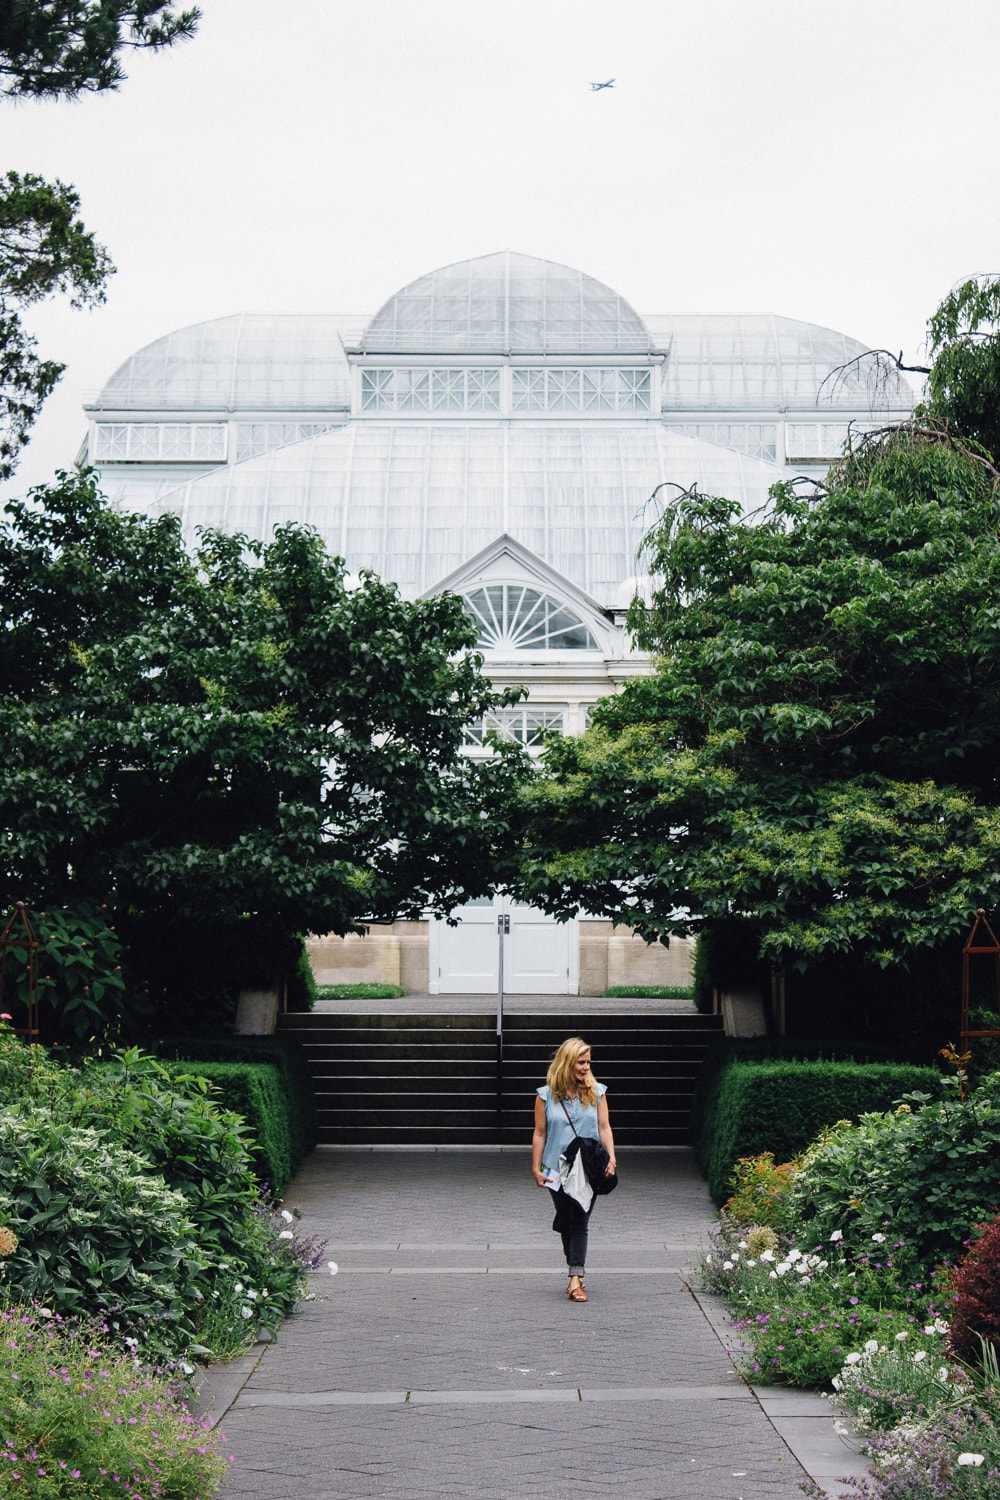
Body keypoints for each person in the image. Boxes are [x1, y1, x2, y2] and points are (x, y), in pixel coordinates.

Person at [532, 1036, 617, 1303]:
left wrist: (612, 1159)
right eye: (581, 1062)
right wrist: (536, 1168)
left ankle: (575, 1279)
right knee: (567, 1220)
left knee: (580, 1219)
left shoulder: (597, 1092)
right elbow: (539, 1133)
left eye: (588, 1062)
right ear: (567, 1062)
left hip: (589, 1168)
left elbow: (604, 1128)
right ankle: (575, 1269)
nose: (585, 1067)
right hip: (556, 1170)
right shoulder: (545, 1096)